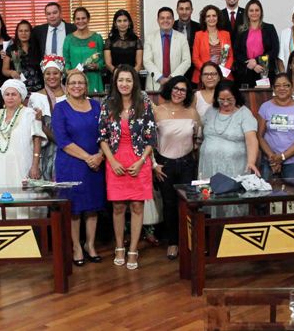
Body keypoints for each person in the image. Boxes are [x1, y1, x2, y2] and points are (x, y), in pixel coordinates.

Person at [98, 65, 156, 270]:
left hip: (139, 160)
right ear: (115, 82)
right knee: (118, 206)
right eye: (120, 80)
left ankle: (133, 249)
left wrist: (141, 162)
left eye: (128, 80)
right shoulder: (107, 104)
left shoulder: (144, 103)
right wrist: (112, 161)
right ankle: (119, 247)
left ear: (134, 83)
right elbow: (102, 137)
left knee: (138, 206)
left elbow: (151, 138)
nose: (124, 84)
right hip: (115, 159)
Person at [52, 70, 105, 265]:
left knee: (92, 207)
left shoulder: (96, 106)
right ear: (66, 86)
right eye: (73, 83)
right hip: (71, 164)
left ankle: (90, 245)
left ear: (86, 86)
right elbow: (63, 140)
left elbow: (105, 134)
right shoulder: (60, 108)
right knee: (74, 208)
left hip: (96, 164)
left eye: (81, 83)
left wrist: (99, 156)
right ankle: (76, 246)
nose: (77, 86)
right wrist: (88, 157)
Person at [153, 76, 202, 259]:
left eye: (183, 90)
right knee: (169, 204)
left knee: (188, 204)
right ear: (169, 89)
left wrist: (194, 149)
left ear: (187, 93)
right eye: (175, 88)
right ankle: (173, 242)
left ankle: (188, 240)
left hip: (187, 163)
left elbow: (199, 137)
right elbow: (149, 141)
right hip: (164, 164)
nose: (178, 92)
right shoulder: (157, 111)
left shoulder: (192, 112)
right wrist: (154, 164)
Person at [0, 80, 43, 216]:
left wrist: (35, 165)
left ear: (21, 97)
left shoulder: (29, 113)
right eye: (7, 94)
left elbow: (37, 138)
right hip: (1, 167)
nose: (10, 97)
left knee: (24, 202)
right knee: (2, 202)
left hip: (22, 165)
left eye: (14, 94)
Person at [257, 73, 294, 179]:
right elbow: (259, 135)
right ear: (273, 88)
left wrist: (282, 157)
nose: (282, 88)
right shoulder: (265, 107)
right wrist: (272, 157)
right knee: (267, 194)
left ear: (292, 87)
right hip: (269, 161)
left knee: (292, 194)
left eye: (286, 85)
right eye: (278, 85)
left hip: (293, 163)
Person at [232, 0, 280, 88]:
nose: (254, 13)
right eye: (251, 10)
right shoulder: (241, 30)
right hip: (246, 72)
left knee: (265, 99)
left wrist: (257, 61)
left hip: (265, 71)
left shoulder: (269, 28)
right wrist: (252, 65)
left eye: (257, 10)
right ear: (247, 13)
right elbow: (236, 52)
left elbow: (274, 50)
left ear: (261, 12)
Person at [144, 7, 191, 92]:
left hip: (176, 84)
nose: (165, 20)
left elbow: (187, 61)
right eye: (162, 18)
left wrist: (172, 78)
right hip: (155, 84)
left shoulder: (182, 38)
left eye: (168, 18)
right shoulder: (149, 38)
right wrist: (160, 78)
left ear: (173, 20)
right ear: (158, 21)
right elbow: (147, 61)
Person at [64, 7, 106, 93]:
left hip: (94, 79)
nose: (80, 21)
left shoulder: (97, 38)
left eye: (83, 18)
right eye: (78, 19)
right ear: (74, 21)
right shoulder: (68, 39)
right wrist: (69, 71)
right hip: (75, 82)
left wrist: (97, 66)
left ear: (88, 19)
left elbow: (103, 61)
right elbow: (66, 62)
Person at [192, 5, 233, 84]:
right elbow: (195, 58)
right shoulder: (198, 35)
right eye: (208, 16)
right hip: (203, 77)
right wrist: (208, 72)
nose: (211, 18)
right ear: (204, 19)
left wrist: (223, 72)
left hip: (223, 77)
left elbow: (230, 56)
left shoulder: (226, 34)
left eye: (214, 16)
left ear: (218, 18)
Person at [3, 20, 44, 92]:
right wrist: (11, 72)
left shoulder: (37, 48)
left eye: (26, 31)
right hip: (19, 89)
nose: (23, 33)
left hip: (39, 89)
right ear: (17, 33)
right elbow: (4, 70)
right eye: (21, 31)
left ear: (30, 33)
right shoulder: (11, 49)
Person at [103, 9, 143, 79]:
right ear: (115, 24)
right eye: (119, 21)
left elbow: (139, 64)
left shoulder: (136, 41)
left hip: (132, 78)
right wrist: (119, 75)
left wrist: (129, 76)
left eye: (125, 20)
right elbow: (108, 64)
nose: (122, 23)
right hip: (114, 77)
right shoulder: (109, 41)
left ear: (129, 23)